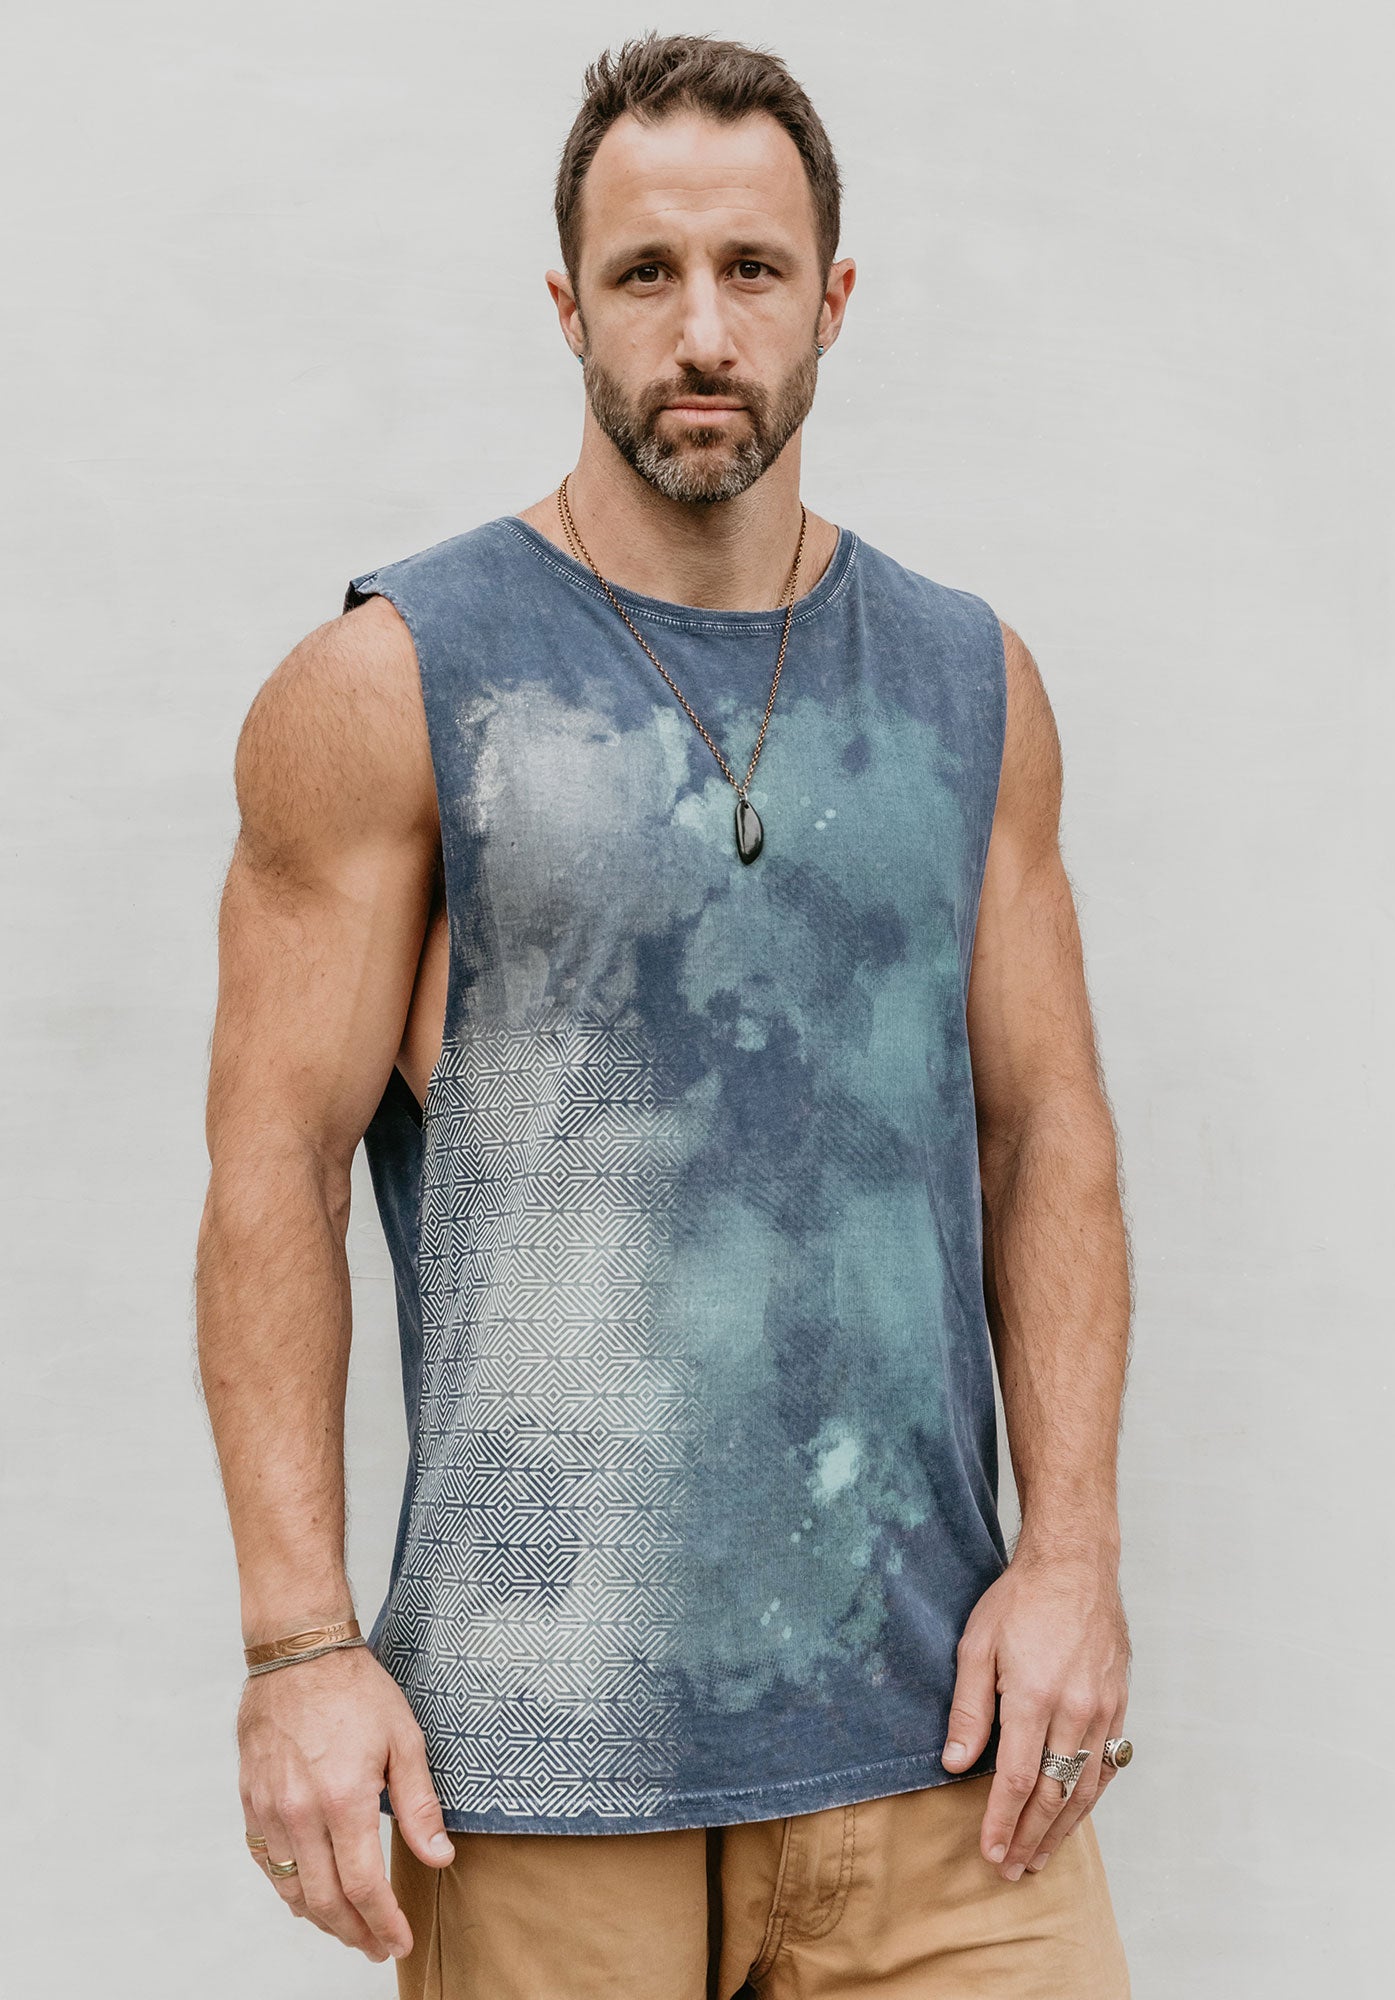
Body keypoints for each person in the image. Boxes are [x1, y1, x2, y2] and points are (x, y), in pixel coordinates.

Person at [196, 29, 1135, 1999]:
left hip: (943, 1764)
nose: (701, 330)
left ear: (832, 299)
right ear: (569, 306)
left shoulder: (969, 681)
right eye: (646, 273)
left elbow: (1042, 1127)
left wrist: (1072, 1560)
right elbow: (270, 1161)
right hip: (544, 1778)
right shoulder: (395, 682)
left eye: (750, 269)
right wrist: (298, 1646)